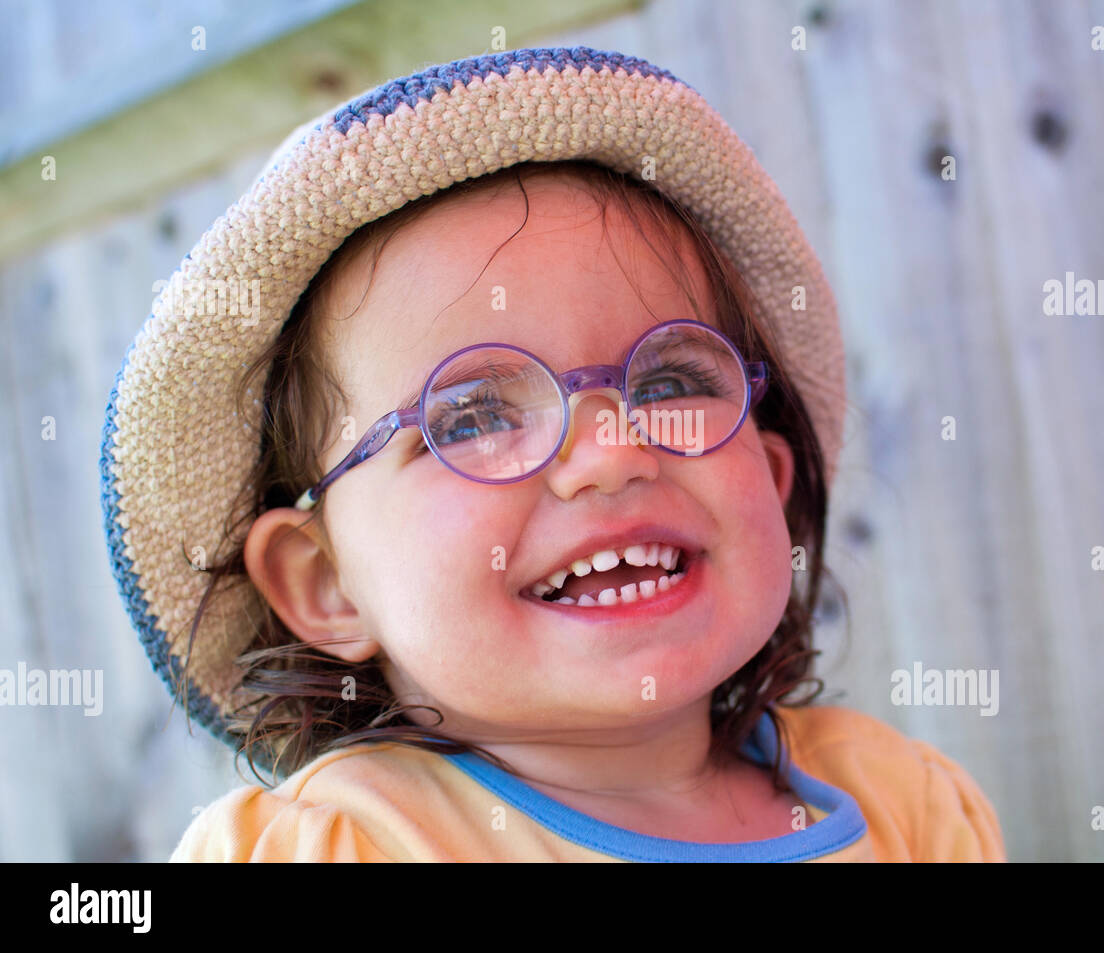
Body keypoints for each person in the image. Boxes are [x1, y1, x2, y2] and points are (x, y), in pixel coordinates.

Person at [101, 46, 1006, 862]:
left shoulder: (904, 804)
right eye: (472, 418)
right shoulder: (339, 848)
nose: (610, 453)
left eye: (672, 384)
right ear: (325, 584)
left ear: (771, 481)